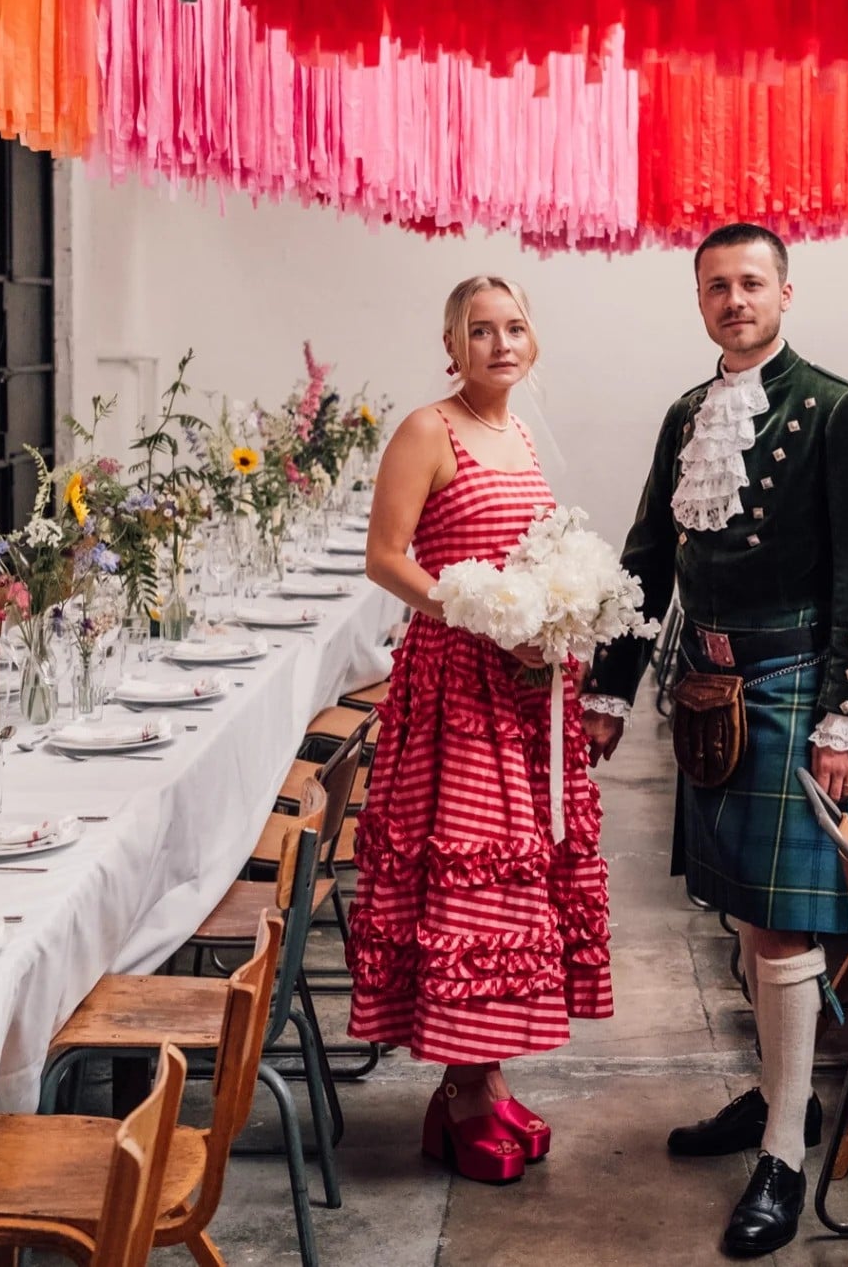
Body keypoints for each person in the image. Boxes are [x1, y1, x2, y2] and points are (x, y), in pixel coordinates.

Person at [581, 223, 848, 1255]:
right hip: (708, 683)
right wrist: (610, 689)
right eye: (715, 285)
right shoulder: (687, 412)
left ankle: (783, 1153)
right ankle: (780, 1095)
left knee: (780, 930)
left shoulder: (836, 410)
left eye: (750, 283)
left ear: (784, 292)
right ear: (699, 298)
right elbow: (645, 559)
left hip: (793, 686)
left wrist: (846, 716)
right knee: (738, 910)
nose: (733, 299)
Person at [345, 275, 614, 1186]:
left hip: (522, 687)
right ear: (451, 348)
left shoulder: (521, 433)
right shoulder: (430, 428)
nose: (501, 344)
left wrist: (550, 622)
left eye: (515, 328)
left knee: (516, 880)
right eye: (479, 331)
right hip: (456, 686)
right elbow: (386, 557)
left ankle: (484, 1078)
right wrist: (478, 611)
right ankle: (461, 1093)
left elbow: (530, 558)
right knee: (470, 880)